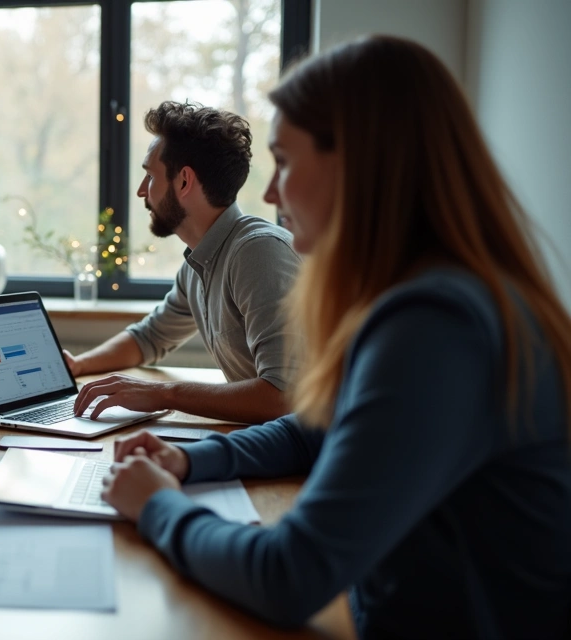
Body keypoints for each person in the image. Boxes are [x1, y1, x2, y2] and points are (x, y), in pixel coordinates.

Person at [102, 36, 571, 638]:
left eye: (287, 163)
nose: (270, 194)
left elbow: (288, 575)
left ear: (361, 165)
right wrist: (189, 460)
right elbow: (318, 427)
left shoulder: (437, 326)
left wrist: (156, 506)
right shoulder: (421, 296)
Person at [69, 102, 301, 425]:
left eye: (149, 176)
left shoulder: (257, 253)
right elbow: (149, 338)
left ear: (183, 182)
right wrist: (78, 366)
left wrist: (163, 393)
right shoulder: (200, 261)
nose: (140, 191)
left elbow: (282, 396)